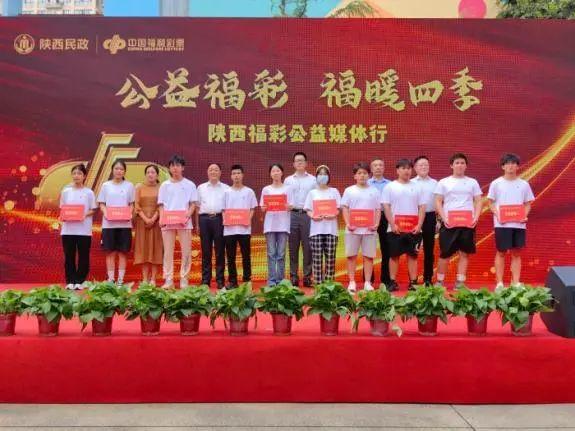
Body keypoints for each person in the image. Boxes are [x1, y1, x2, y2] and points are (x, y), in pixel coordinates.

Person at [434, 153, 483, 288]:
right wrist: (444, 218)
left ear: (466, 166)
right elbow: (438, 201)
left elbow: (478, 201)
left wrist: (476, 217)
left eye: (462, 163)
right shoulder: (444, 182)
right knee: (445, 253)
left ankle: (460, 282)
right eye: (457, 163)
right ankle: (439, 281)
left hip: (467, 223)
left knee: (464, 253)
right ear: (451, 165)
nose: (460, 165)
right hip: (449, 223)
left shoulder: (472, 182)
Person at [487, 153, 534, 289]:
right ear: (503, 166)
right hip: (501, 224)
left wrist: (524, 216)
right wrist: (498, 215)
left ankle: (516, 282)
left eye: (513, 163)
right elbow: (490, 203)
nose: (511, 166)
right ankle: (499, 283)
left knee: (516, 253)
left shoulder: (524, 184)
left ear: (518, 166)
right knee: (501, 252)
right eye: (507, 163)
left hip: (519, 224)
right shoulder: (496, 183)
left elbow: (528, 204)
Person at [382, 159, 426, 291]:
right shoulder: (390, 186)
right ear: (397, 170)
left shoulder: (418, 187)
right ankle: (392, 282)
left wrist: (419, 225)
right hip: (395, 228)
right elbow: (386, 206)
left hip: (413, 228)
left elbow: (422, 207)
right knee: (394, 256)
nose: (406, 171)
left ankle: (413, 282)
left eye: (408, 168)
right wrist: (392, 224)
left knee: (412, 256)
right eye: (403, 168)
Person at [157, 155, 197, 289]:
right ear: (169, 168)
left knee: (186, 252)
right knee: (168, 252)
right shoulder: (164, 185)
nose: (175, 168)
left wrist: (187, 215)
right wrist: (162, 218)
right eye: (172, 165)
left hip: (184, 222)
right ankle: (169, 280)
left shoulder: (190, 184)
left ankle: (184, 279)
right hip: (167, 223)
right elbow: (161, 204)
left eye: (178, 165)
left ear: (182, 167)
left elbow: (193, 204)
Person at [341, 162, 381, 293]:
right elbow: (345, 208)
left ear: (368, 175)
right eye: (359, 173)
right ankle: (352, 282)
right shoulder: (349, 190)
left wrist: (376, 224)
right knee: (351, 256)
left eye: (364, 173)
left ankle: (367, 283)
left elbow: (377, 209)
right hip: (352, 229)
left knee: (368, 256)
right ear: (355, 176)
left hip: (369, 230)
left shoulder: (374, 191)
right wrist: (348, 223)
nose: (362, 175)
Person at [59, 164, 97, 290]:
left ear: (84, 176)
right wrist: (64, 216)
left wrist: (82, 214)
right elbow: (62, 209)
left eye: (79, 173)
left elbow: (93, 209)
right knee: (69, 256)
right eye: (74, 173)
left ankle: (80, 281)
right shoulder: (66, 192)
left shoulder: (89, 193)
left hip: (84, 230)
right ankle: (70, 280)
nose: (76, 176)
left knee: (83, 256)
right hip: (68, 230)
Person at [97, 160, 135, 286]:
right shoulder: (106, 185)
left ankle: (120, 280)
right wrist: (106, 213)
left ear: (124, 171)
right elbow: (102, 203)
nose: (119, 171)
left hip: (124, 225)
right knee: (110, 252)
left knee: (123, 252)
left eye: (121, 169)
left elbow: (131, 204)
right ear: (112, 170)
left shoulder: (129, 185)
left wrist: (129, 213)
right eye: (116, 168)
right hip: (109, 225)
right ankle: (111, 279)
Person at [303, 165, 341, 285]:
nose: (322, 176)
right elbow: (308, 209)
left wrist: (333, 214)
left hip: (331, 230)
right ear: (316, 176)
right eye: (320, 174)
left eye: (325, 174)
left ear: (328, 177)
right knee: (317, 258)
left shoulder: (334, 191)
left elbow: (338, 209)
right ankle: (318, 284)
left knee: (330, 258)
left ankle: (329, 284)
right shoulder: (312, 193)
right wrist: (313, 216)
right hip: (316, 230)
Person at [284, 152, 316, 287]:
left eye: (302, 160)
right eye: (297, 161)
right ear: (293, 164)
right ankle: (293, 277)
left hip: (307, 215)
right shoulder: (288, 180)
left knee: (308, 247)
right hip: (292, 215)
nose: (299, 162)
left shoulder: (313, 180)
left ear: (306, 163)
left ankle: (307, 277)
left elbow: (316, 198)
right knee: (293, 247)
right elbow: (284, 198)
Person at [223, 164, 258, 289]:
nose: (236, 176)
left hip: (244, 229)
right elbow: (223, 210)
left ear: (242, 175)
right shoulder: (226, 192)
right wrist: (225, 220)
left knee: (246, 256)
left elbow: (252, 208)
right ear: (231, 176)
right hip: (229, 230)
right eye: (234, 173)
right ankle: (233, 281)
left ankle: (247, 280)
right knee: (230, 256)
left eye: (238, 173)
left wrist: (248, 219)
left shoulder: (249, 191)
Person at [196, 163, 229, 289]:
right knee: (206, 251)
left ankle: (220, 280)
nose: (213, 172)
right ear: (207, 172)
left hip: (219, 219)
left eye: (216, 170)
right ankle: (206, 280)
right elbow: (197, 207)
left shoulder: (226, 188)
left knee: (220, 251)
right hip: (204, 219)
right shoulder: (201, 188)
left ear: (220, 172)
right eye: (211, 170)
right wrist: (197, 224)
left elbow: (228, 208)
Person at [260, 163, 294, 287]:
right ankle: (271, 280)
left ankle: (280, 280)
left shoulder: (288, 189)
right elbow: (262, 207)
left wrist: (288, 206)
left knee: (281, 254)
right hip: (270, 225)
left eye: (278, 170)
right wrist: (264, 208)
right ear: (270, 174)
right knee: (271, 254)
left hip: (283, 225)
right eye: (273, 171)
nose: (275, 173)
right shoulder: (266, 189)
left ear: (282, 173)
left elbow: (291, 205)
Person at [134, 164, 163, 286]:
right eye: (148, 172)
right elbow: (136, 205)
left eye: (153, 172)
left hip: (157, 223)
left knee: (156, 250)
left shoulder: (162, 188)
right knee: (144, 250)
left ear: (157, 175)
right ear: (145, 174)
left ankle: (153, 279)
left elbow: (162, 205)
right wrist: (146, 219)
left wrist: (154, 218)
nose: (150, 174)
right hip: (142, 222)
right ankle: (145, 279)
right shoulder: (139, 187)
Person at [412, 156, 439, 287]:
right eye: (421, 165)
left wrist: (438, 220)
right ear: (415, 168)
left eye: (426, 165)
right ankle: (413, 279)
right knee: (412, 249)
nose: (424, 167)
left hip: (430, 217)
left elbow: (439, 202)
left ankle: (428, 278)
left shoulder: (435, 183)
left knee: (429, 248)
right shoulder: (411, 183)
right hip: (413, 217)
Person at [367, 158, 392, 288]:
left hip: (386, 216)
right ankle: (368, 280)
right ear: (371, 169)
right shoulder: (365, 183)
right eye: (375, 165)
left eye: (380, 165)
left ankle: (385, 280)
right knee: (368, 248)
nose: (378, 167)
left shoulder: (391, 184)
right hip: (369, 217)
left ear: (384, 168)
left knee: (386, 249)